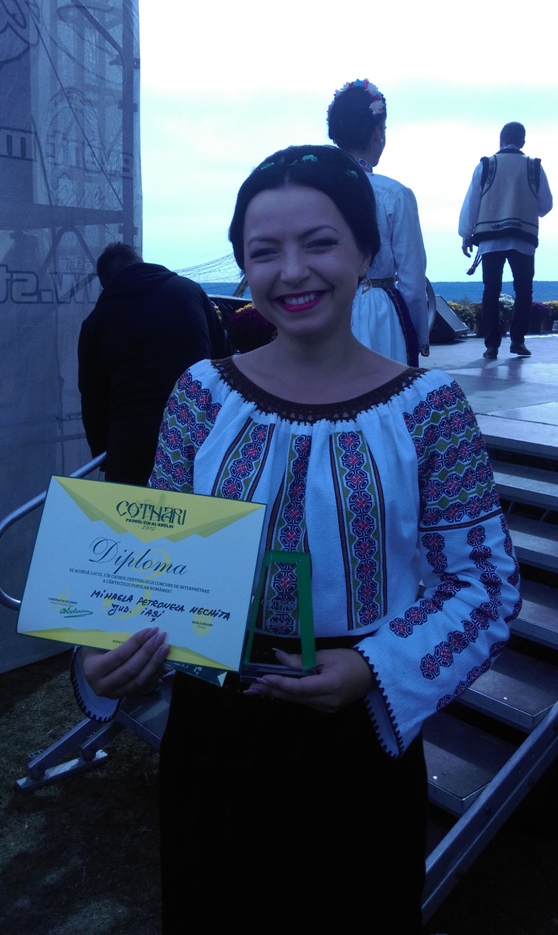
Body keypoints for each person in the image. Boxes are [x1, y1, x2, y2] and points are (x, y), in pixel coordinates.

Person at [75, 146, 520, 933]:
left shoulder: (429, 407)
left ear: (365, 252)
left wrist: (373, 668)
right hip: (214, 730)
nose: (291, 271)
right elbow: (157, 556)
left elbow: (483, 584)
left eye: (318, 242)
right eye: (263, 251)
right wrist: (105, 647)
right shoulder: (201, 392)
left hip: (359, 731)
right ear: (243, 265)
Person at [77, 242, 228, 485]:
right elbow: (223, 359)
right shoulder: (189, 291)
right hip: (198, 424)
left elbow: (92, 397)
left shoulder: (96, 321)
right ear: (140, 263)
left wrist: (104, 453)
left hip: (132, 439)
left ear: (105, 282)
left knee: (130, 508)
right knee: (202, 504)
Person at [327, 77, 430, 366]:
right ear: (377, 134)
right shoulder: (394, 194)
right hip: (380, 313)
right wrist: (419, 334)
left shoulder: (315, 188)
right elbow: (412, 280)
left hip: (325, 310)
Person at [459, 121, 553, 359]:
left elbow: (472, 203)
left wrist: (466, 234)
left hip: (491, 239)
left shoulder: (486, 165)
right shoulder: (534, 167)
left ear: (500, 140)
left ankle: (491, 345)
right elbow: (546, 205)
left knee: (491, 290)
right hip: (524, 238)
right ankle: (518, 341)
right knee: (524, 290)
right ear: (523, 142)